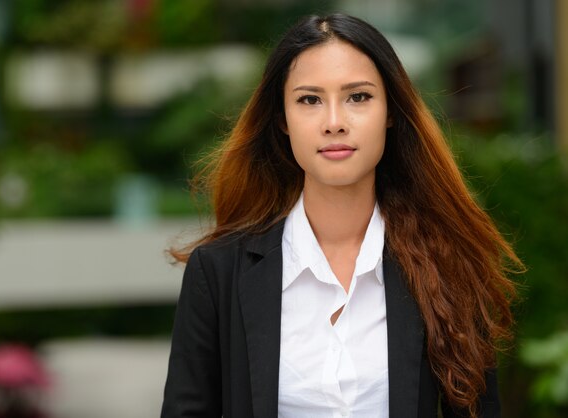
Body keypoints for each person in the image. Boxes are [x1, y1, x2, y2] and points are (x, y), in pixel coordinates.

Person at [161, 13, 521, 418]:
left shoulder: (447, 264)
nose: (334, 123)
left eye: (358, 97)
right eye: (309, 100)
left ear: (390, 113)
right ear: (282, 119)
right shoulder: (219, 273)